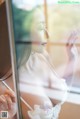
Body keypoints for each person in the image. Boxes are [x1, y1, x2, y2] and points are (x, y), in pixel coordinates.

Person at [0, 9, 78, 119]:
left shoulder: (41, 57)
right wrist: (6, 115)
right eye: (41, 27)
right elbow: (3, 115)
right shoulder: (3, 84)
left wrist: (72, 60)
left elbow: (58, 93)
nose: (48, 34)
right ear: (19, 32)